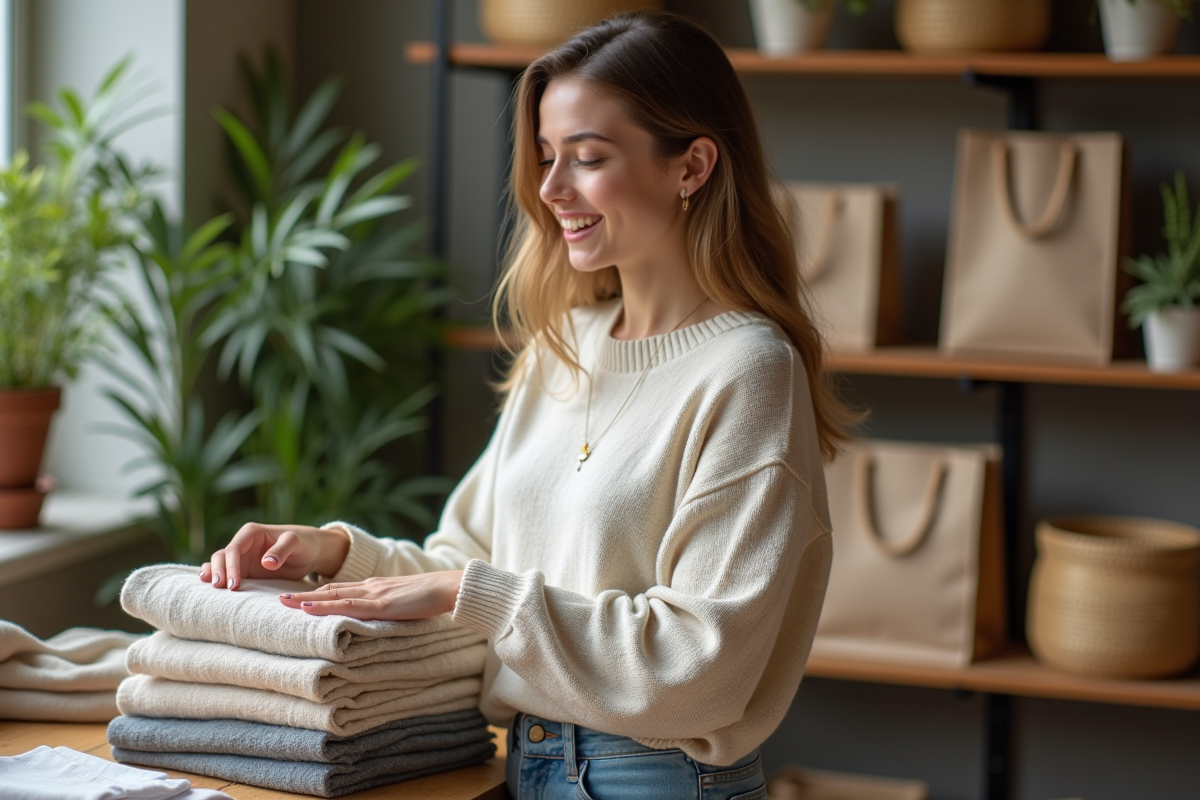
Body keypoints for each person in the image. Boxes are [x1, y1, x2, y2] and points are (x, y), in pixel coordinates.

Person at [199, 10, 856, 798]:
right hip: (521, 764)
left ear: (692, 165)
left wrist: (465, 592)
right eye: (547, 158)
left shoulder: (749, 370)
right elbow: (465, 569)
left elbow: (697, 666)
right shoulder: (564, 345)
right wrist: (336, 553)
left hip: (654, 778)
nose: (549, 191)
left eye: (587, 159)